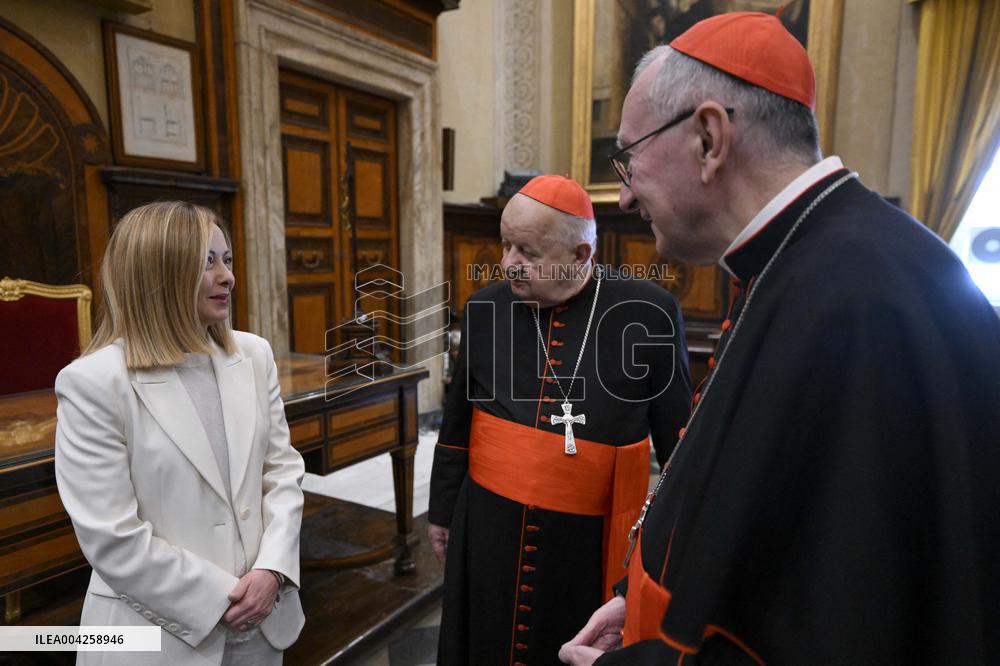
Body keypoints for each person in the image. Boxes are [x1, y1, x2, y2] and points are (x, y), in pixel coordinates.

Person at [559, 12, 1000, 666]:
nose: (622, 198)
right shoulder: (816, 261)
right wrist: (647, 601)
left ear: (708, 138)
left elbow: (833, 630)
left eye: (627, 156)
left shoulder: (856, 309)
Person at [429, 175, 693, 664]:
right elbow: (457, 422)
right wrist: (442, 510)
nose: (509, 262)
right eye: (505, 244)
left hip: (585, 547)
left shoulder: (648, 314)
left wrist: (656, 553)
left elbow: (680, 451)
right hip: (487, 528)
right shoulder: (485, 308)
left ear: (580, 256)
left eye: (527, 251)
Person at [55, 201, 306, 665]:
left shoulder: (254, 355)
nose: (227, 275)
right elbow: (112, 536)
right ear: (159, 272)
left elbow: (282, 472)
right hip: (156, 635)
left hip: (262, 622)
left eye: (227, 259)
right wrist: (220, 598)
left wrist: (273, 569)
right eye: (207, 261)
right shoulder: (93, 382)